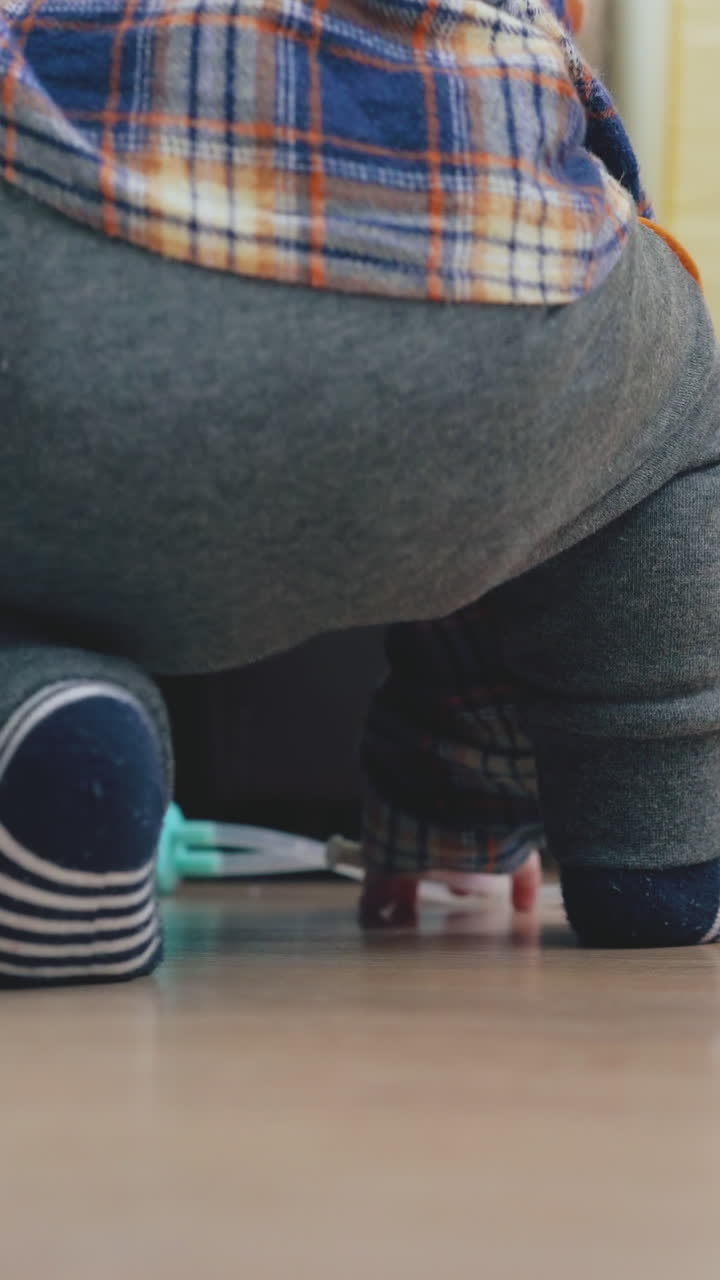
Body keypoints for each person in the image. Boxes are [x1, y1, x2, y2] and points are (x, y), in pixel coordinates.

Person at [0, 0, 718, 986]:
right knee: (655, 449)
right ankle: (663, 842)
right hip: (506, 319)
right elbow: (530, 542)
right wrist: (452, 809)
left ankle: (40, 740)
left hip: (57, 292)